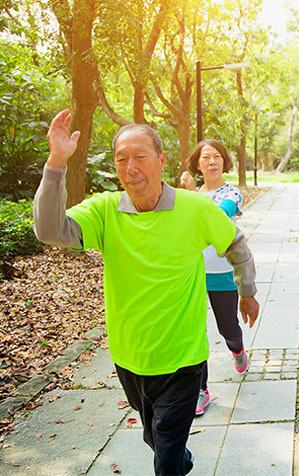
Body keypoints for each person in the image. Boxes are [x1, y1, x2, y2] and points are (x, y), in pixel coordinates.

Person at [34, 110, 260, 476]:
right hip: (130, 357)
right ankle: (180, 458)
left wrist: (246, 291)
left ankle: (175, 459)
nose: (130, 166)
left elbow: (235, 243)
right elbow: (49, 230)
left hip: (183, 358)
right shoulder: (105, 210)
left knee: (167, 449)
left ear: (162, 159)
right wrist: (57, 162)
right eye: (121, 159)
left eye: (140, 156)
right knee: (156, 438)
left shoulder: (195, 208)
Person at [180, 140, 248, 417]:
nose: (211, 161)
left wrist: (191, 194)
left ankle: (238, 348)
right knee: (195, 333)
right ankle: (200, 390)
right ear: (197, 164)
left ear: (224, 162)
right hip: (192, 272)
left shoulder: (232, 193)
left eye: (217, 156)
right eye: (205, 157)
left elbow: (216, 218)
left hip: (222, 273)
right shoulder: (186, 196)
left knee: (227, 327)